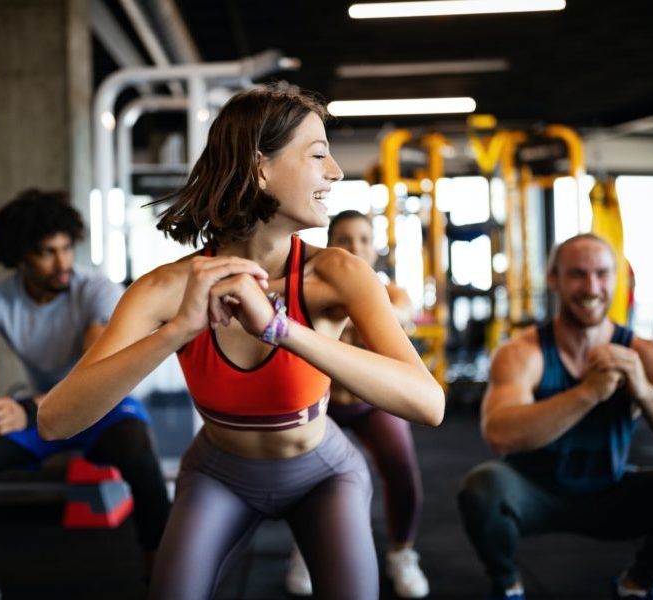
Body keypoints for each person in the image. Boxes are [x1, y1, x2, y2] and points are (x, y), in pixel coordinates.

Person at [38, 86, 445, 600]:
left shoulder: (338, 274)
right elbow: (55, 421)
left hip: (323, 473)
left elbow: (429, 404)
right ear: (260, 169)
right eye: (319, 155)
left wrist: (280, 329)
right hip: (219, 473)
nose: (337, 171)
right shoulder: (165, 289)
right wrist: (179, 330)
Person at [0, 190, 172, 600]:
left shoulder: (96, 290)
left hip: (101, 407)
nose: (62, 263)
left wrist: (27, 409)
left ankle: (159, 579)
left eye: (66, 248)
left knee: (139, 454)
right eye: (47, 253)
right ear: (20, 255)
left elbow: (92, 368)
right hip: (38, 416)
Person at [457, 233, 653, 600]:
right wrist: (587, 393)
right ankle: (507, 585)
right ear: (554, 280)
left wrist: (643, 390)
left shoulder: (647, 354)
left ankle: (636, 585)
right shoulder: (521, 353)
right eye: (577, 274)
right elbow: (499, 434)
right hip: (534, 492)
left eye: (602, 274)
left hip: (610, 489)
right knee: (482, 487)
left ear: (616, 279)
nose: (591, 287)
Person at [284, 210, 429, 598]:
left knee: (401, 468)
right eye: (345, 240)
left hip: (370, 403)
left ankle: (402, 553)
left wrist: (362, 305)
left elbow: (401, 312)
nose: (355, 247)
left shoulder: (389, 292)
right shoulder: (309, 290)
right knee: (304, 476)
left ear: (375, 249)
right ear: (330, 246)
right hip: (323, 402)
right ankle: (306, 549)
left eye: (364, 240)